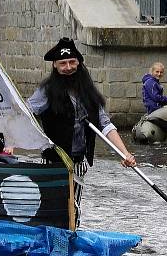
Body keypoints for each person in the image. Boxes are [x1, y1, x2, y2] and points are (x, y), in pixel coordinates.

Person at [27, 38, 135, 225]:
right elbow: (26, 114)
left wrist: (125, 153)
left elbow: (105, 125)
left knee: (73, 207)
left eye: (72, 62)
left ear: (78, 62)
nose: (68, 67)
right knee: (53, 205)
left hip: (78, 161)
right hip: (53, 160)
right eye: (63, 63)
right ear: (55, 65)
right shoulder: (46, 91)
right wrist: (10, 144)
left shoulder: (88, 92)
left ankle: (71, 236)